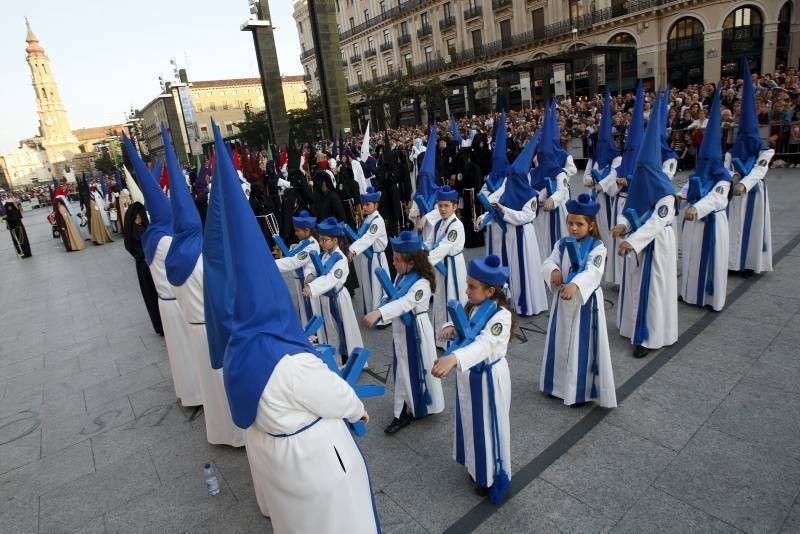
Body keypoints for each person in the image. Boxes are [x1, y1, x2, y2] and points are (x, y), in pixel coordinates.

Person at [211, 122, 380, 533]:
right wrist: (358, 408)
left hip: (278, 464)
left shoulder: (238, 350)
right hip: (313, 465)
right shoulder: (288, 364)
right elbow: (335, 395)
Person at [161, 125, 244, 447]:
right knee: (223, 381)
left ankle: (218, 430)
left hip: (191, 323)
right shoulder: (202, 257)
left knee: (208, 383)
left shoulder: (172, 256)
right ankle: (236, 435)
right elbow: (222, 294)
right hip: (214, 325)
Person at [124, 136, 204, 407]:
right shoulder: (168, 241)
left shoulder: (150, 236)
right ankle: (196, 394)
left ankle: (187, 392)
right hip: (178, 301)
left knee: (178, 353)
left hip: (164, 302)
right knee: (189, 351)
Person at [431, 255, 512, 505]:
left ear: (490, 291)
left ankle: (490, 475)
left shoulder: (501, 317)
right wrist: (450, 327)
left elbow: (485, 343)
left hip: (489, 378)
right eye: (467, 285)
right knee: (470, 419)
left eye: (472, 287)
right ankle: (475, 465)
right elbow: (465, 325)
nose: (467, 291)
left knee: (489, 425)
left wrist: (453, 358)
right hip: (470, 376)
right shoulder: (473, 305)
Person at [611, 87, 678, 358]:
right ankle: (632, 327)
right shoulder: (640, 183)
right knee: (636, 287)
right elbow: (631, 210)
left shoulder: (666, 193)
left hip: (657, 246)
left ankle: (650, 337)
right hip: (636, 245)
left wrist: (632, 240)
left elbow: (655, 223)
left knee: (654, 289)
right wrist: (622, 226)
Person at [362, 231, 444, 434]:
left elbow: (406, 302)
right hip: (403, 329)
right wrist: (382, 307)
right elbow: (394, 296)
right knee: (404, 367)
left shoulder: (421, 284)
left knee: (417, 366)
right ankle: (407, 407)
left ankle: (413, 407)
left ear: (412, 262)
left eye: (397, 260)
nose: (394, 264)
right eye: (393, 258)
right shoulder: (402, 275)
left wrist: (379, 313)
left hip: (417, 330)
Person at [540, 193, 616, 407]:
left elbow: (594, 270)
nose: (573, 228)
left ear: (590, 226)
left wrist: (577, 284)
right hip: (562, 303)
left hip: (586, 303)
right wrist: (553, 270)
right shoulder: (562, 243)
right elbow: (549, 261)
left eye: (579, 224)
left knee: (582, 345)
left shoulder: (598, 247)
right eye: (570, 223)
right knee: (561, 341)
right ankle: (557, 385)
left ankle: (579, 390)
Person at [481, 130, 548, 317]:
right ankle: (510, 300)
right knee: (510, 267)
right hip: (509, 234)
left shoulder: (531, 197)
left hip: (523, 236)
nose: (510, 180)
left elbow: (525, 217)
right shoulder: (507, 185)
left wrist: (504, 210)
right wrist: (487, 209)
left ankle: (526, 303)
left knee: (523, 270)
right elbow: (496, 196)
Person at [678, 86, 731, 311]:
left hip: (711, 223)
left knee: (711, 260)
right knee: (690, 255)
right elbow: (687, 186)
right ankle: (689, 293)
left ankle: (711, 298)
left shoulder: (723, 178)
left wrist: (697, 208)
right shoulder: (699, 172)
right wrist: (677, 196)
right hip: (693, 223)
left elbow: (717, 199)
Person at [727, 61, 774, 274]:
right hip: (734, 192)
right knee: (733, 225)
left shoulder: (765, 151)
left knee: (750, 228)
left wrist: (744, 184)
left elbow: (759, 170)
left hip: (753, 193)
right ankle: (732, 262)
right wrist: (731, 178)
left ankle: (750, 263)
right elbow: (726, 168)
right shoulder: (732, 151)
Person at [305, 217, 364, 365]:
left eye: (325, 240)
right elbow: (313, 266)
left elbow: (331, 279)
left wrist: (312, 287)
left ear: (335, 240)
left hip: (337, 299)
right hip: (324, 298)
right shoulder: (324, 254)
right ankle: (332, 359)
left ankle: (346, 360)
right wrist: (310, 275)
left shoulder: (340, 259)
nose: (321, 243)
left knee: (342, 329)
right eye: (320, 239)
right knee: (329, 330)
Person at [582, 93, 621, 285]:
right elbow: (585, 178)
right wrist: (595, 182)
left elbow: (613, 177)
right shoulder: (593, 159)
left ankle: (608, 255)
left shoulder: (617, 158)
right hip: (595, 198)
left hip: (609, 199)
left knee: (607, 227)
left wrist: (600, 183)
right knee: (594, 227)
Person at [426, 185, 468, 348]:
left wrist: (422, 263)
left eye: (446, 206)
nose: (442, 209)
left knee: (453, 296)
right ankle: (440, 336)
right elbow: (429, 242)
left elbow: (443, 248)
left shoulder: (456, 225)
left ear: (455, 206)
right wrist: (419, 253)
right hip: (439, 266)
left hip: (453, 266)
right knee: (439, 298)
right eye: (440, 205)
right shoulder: (438, 224)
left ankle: (454, 337)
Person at [530, 104, 569, 261]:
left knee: (554, 243)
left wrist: (552, 199)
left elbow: (561, 190)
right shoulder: (533, 173)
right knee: (540, 243)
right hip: (538, 214)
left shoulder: (560, 173)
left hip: (554, 212)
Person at [348, 187, 391, 317]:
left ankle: (381, 316)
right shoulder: (367, 219)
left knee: (378, 287)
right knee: (368, 286)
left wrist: (353, 249)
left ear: (376, 205)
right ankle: (371, 312)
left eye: (368, 205)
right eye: (363, 204)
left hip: (376, 258)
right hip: (368, 258)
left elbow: (368, 238)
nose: (364, 207)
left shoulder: (377, 221)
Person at [276, 210, 323, 329]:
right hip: (300, 280)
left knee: (309, 309)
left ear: (307, 231)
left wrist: (270, 264)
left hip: (307, 281)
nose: (295, 233)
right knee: (303, 308)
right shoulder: (305, 242)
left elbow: (293, 262)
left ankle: (313, 334)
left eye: (297, 231)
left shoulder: (311, 246)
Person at [123, 201, 163, 335]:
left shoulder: (134, 230)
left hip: (143, 266)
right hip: (147, 266)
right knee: (153, 296)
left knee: (150, 296)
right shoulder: (139, 231)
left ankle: (159, 323)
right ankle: (161, 323)